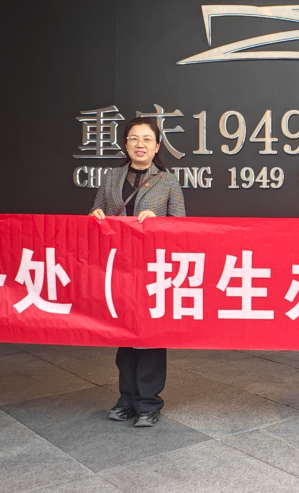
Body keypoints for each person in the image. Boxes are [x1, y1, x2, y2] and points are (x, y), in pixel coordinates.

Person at [90, 117, 186, 428]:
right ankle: (126, 399)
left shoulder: (167, 181)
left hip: (152, 270)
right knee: (125, 336)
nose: (140, 144)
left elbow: (181, 228)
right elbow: (94, 214)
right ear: (126, 144)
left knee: (150, 337)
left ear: (157, 146)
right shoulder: (112, 177)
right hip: (119, 268)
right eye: (134, 138)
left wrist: (158, 224)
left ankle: (148, 402)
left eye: (146, 139)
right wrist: (96, 215)